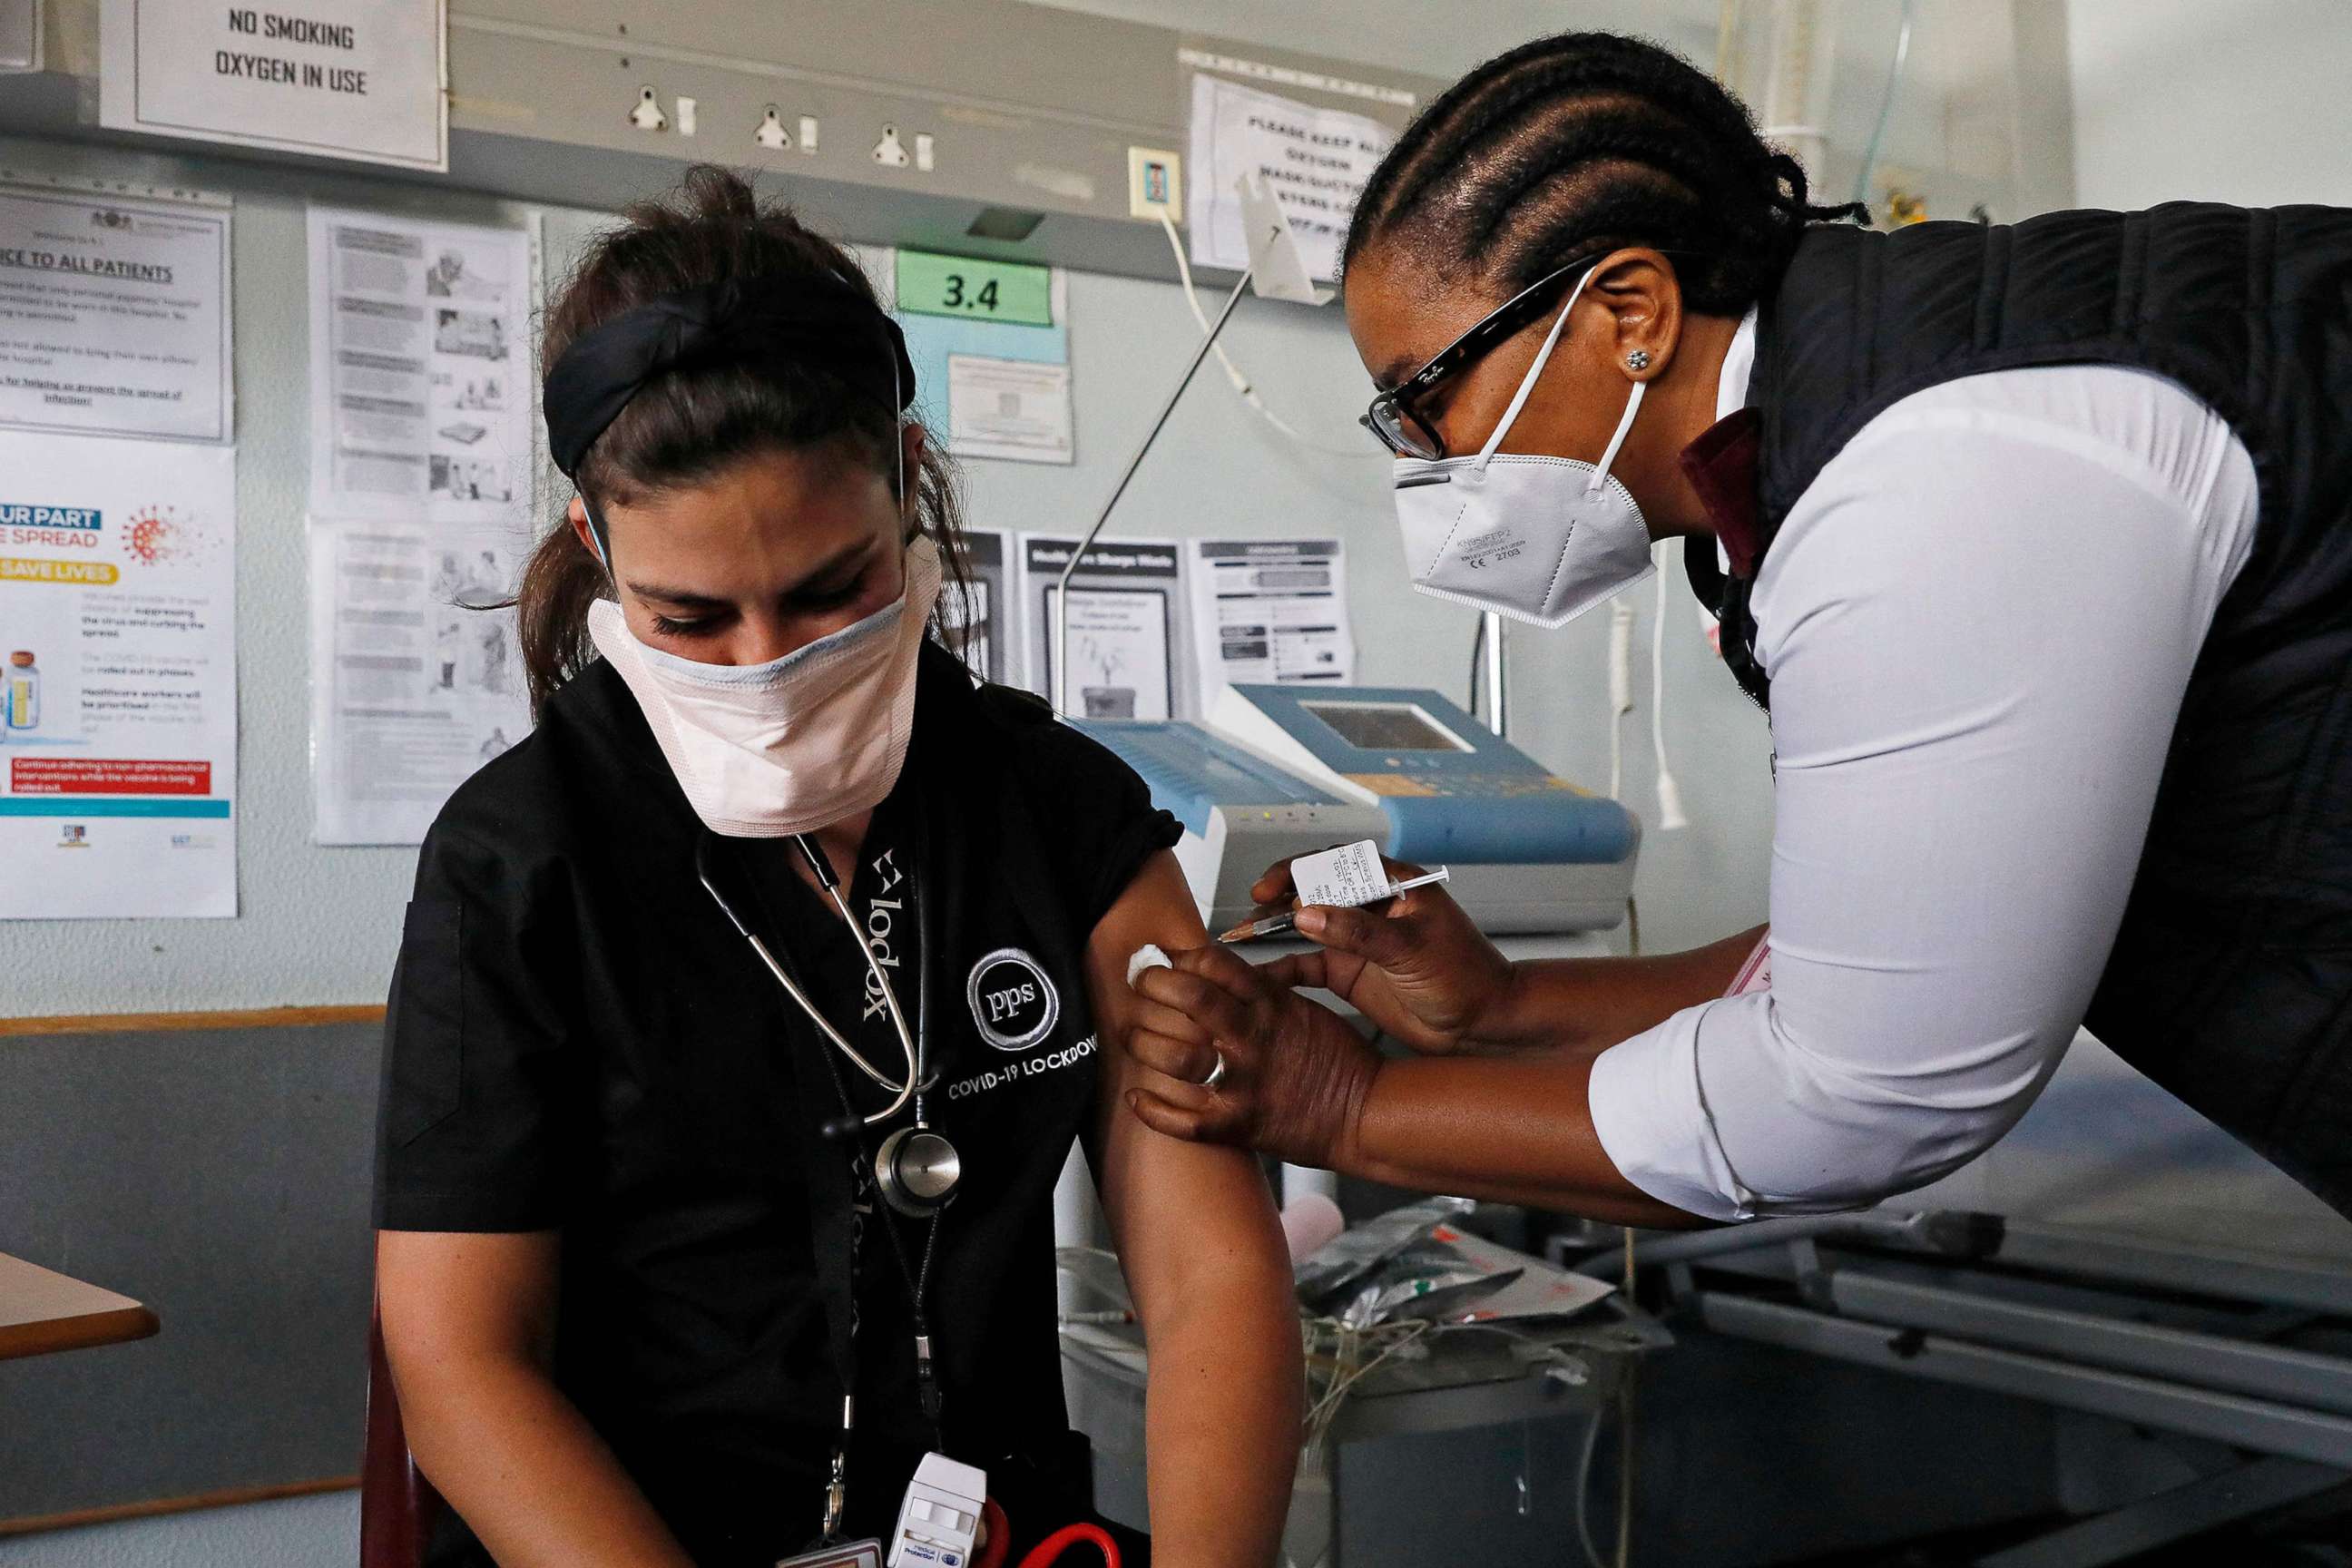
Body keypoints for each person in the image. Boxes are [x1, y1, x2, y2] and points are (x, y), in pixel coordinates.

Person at [1125, 31, 2352, 1229]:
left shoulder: (1936, 476)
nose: (1429, 462)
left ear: (1630, 312)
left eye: (1424, 399)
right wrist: (1501, 1009)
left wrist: (1341, 1103)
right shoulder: (1830, 433)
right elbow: (1902, 949)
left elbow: (1866, 1092)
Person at [374, 167, 1301, 1568]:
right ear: (596, 549)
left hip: (994, 1531)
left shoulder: (1059, 815)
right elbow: (463, 1367)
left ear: (909, 488)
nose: (769, 664)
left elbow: (1210, 1271)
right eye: (688, 616)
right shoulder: (518, 863)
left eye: (830, 591)